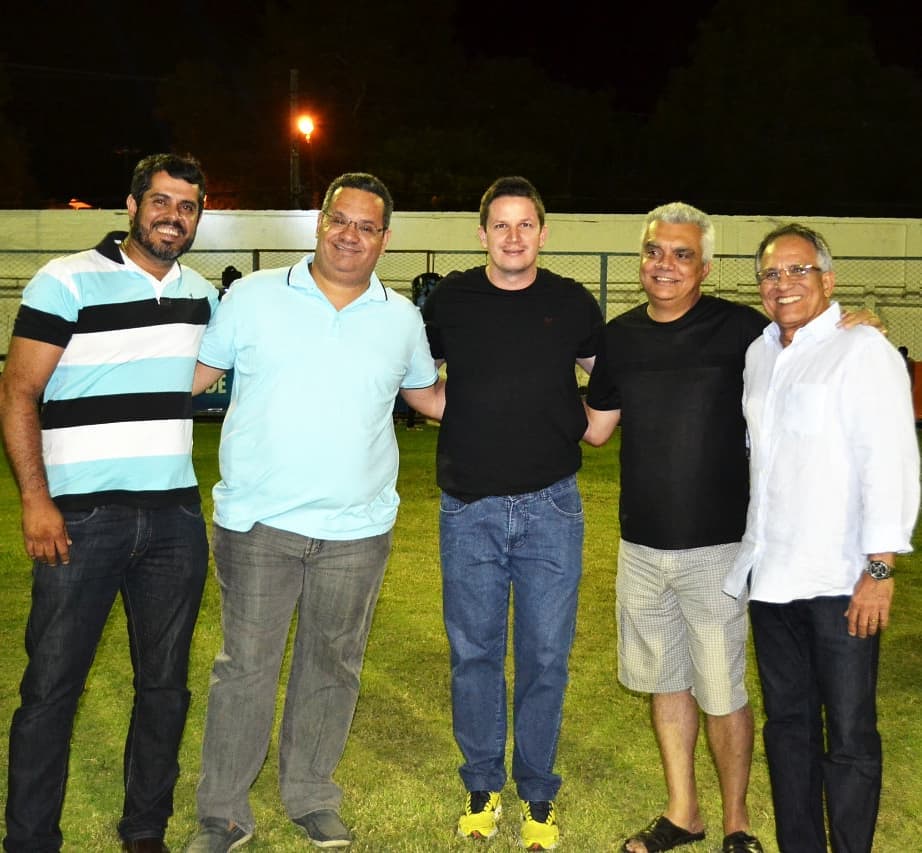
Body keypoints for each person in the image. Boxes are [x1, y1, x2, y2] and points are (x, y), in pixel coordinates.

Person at [583, 203, 882, 853]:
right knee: (666, 681)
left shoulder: (743, 328)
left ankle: (738, 822)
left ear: (706, 266)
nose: (665, 264)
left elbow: (811, 342)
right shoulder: (621, 336)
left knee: (723, 690)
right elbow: (596, 428)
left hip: (719, 546)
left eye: (681, 254)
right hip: (640, 546)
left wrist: (856, 324)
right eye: (655, 251)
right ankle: (683, 813)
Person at [185, 172, 443, 852]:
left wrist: (522, 397)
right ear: (319, 222)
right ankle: (223, 810)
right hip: (258, 524)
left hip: (357, 530)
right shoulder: (252, 296)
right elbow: (190, 376)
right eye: (340, 219)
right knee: (245, 666)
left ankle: (309, 793)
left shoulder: (400, 316)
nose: (350, 235)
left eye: (366, 226)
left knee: (333, 665)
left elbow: (429, 398)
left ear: (385, 239)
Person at [0, 153, 216, 853]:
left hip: (174, 518)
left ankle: (144, 829)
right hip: (80, 517)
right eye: (160, 202)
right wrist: (37, 499)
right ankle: (31, 839)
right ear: (130, 205)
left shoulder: (204, 295)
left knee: (165, 688)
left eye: (186, 207)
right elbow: (17, 392)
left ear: (198, 217)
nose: (172, 217)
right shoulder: (64, 278)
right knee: (51, 688)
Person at [723, 224, 920, 853]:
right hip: (772, 577)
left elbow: (890, 460)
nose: (783, 284)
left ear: (828, 279)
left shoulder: (862, 350)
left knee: (852, 734)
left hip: (841, 581)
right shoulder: (758, 353)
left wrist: (879, 569)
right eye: (771, 273)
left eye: (798, 270)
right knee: (789, 728)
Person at [421, 176, 603, 851]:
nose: (514, 236)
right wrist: (449, 409)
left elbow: (606, 370)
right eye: (501, 225)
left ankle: (537, 790)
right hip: (468, 504)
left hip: (551, 505)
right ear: (482, 234)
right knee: (474, 652)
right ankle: (480, 781)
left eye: (526, 224)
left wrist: (591, 425)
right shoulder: (453, 299)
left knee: (545, 655)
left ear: (543, 232)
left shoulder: (571, 301)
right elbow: (415, 372)